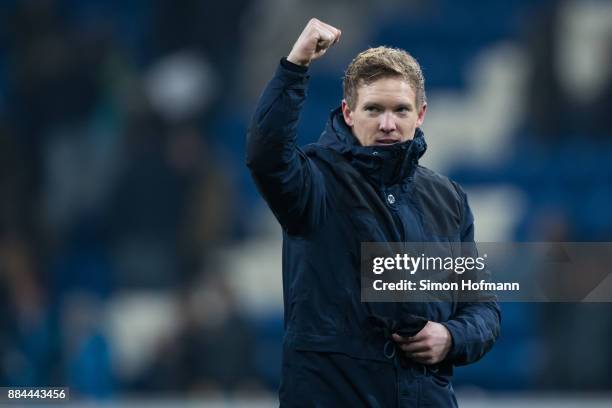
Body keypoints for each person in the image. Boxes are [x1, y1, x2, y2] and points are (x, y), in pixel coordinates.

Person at [246, 18, 500, 407]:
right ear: (348, 113)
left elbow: (481, 307)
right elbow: (265, 156)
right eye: (374, 109)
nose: (387, 124)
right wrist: (295, 66)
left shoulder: (448, 199)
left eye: (400, 110)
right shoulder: (316, 181)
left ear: (421, 115)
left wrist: (450, 338)